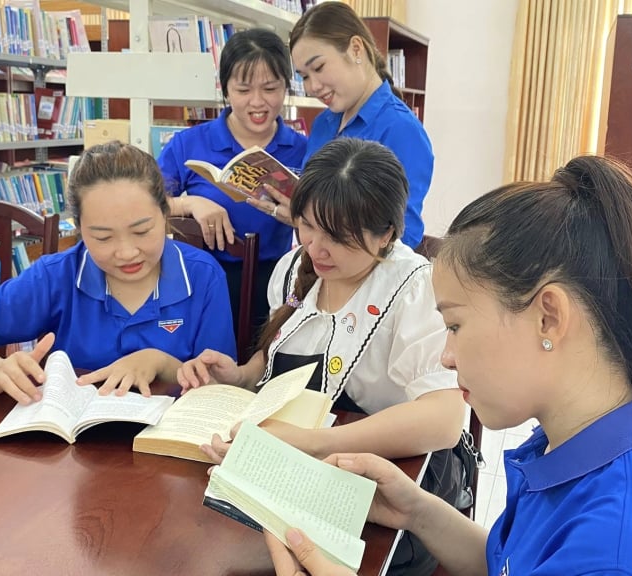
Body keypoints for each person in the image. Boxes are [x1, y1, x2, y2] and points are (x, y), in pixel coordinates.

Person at [264, 155, 632, 575]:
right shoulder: (570, 439)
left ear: (547, 317)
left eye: (454, 326)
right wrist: (417, 512)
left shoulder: (618, 548)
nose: (446, 358)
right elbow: (505, 561)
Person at [179, 138, 466, 575]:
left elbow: (443, 420)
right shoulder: (295, 268)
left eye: (337, 236)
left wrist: (315, 445)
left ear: (386, 234)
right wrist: (238, 376)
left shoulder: (415, 289)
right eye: (307, 226)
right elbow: (281, 360)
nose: (316, 248)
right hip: (296, 468)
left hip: (391, 482)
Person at [0, 141, 236, 405]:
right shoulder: (56, 276)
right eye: (102, 237)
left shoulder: (203, 277)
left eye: (141, 231)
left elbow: (221, 389)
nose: (126, 252)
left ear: (166, 214)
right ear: (80, 229)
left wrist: (162, 364)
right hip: (71, 460)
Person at [158, 28, 307, 335]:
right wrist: (190, 203)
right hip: (200, 278)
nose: (257, 102)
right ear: (225, 89)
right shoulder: (189, 144)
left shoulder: (303, 149)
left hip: (275, 280)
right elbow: (146, 205)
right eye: (243, 90)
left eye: (270, 88)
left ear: (285, 88)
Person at [250, 2, 434, 249]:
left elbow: (402, 238)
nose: (311, 87)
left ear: (356, 49)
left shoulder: (401, 130)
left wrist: (307, 222)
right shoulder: (324, 123)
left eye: (319, 68)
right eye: (304, 76)